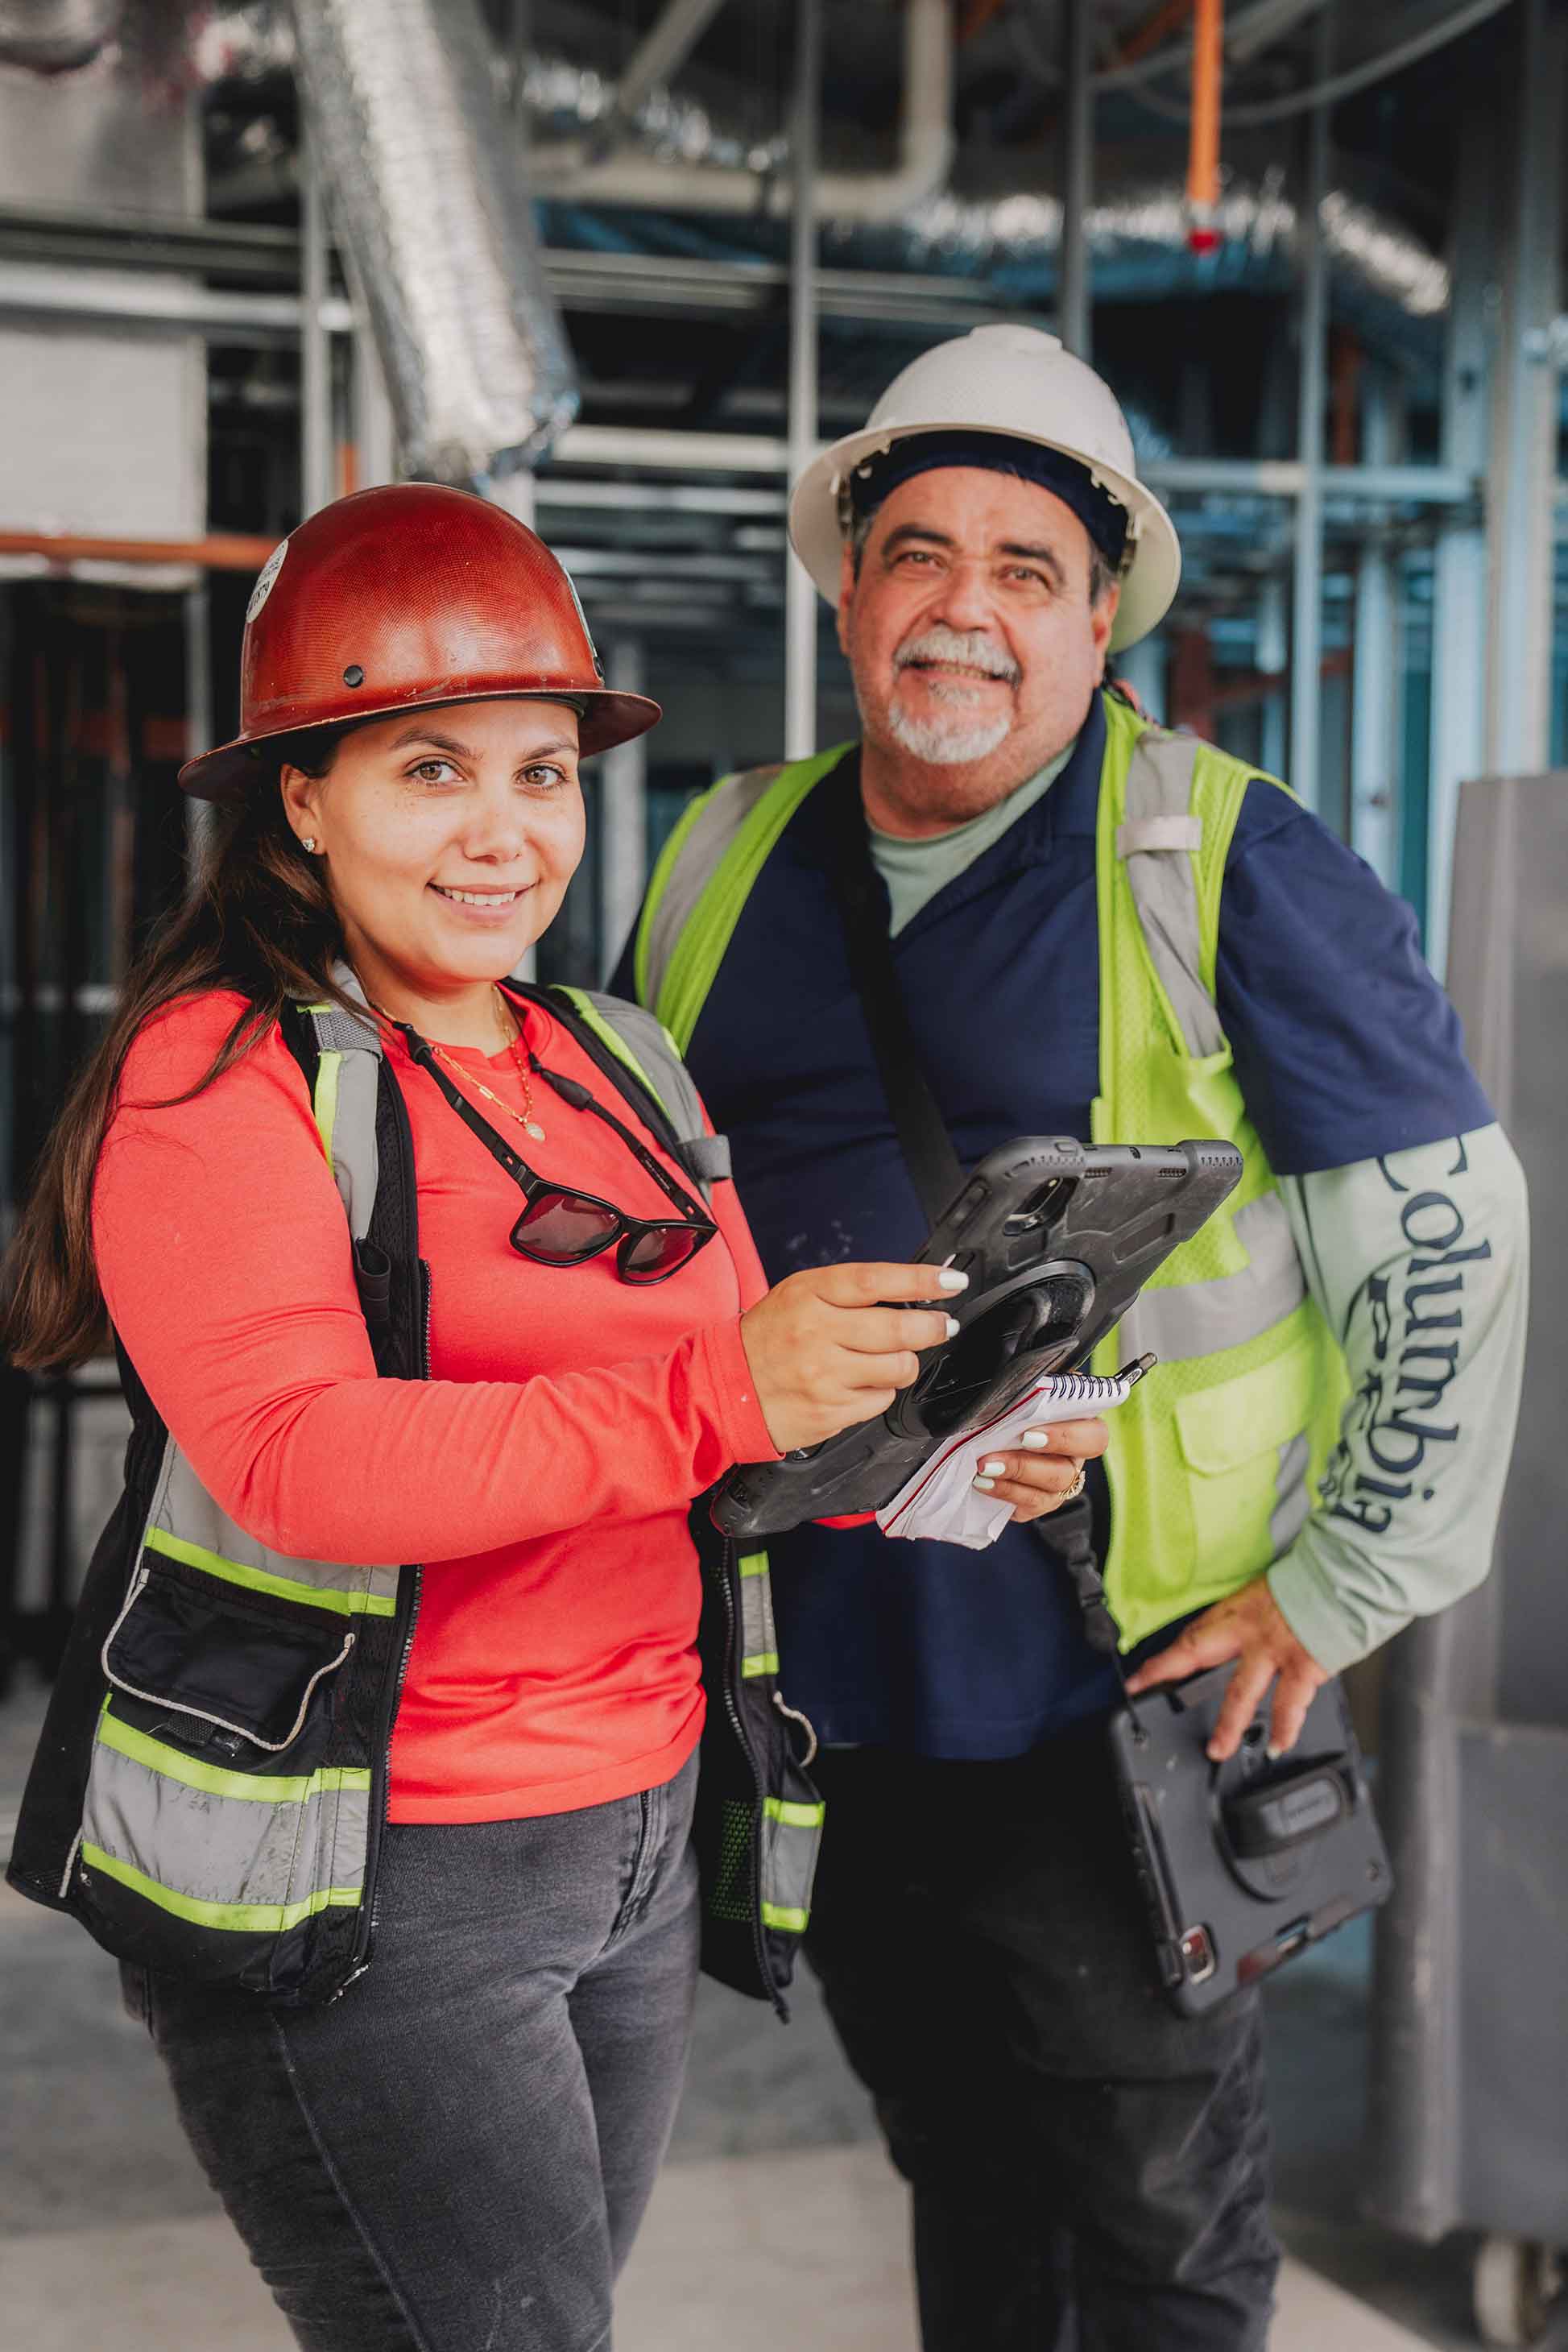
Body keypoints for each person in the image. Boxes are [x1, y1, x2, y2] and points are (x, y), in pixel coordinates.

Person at [2, 482, 1094, 2352]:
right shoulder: (224, 1071)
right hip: (379, 1859)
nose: (503, 833)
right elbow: (300, 1459)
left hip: (640, 1824)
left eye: (541, 774)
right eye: (430, 771)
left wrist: (927, 1454)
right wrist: (720, 1383)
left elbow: (729, 1441)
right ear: (302, 797)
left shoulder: (615, 1054)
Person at [616, 324, 1531, 2352]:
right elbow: (633, 1222)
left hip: (1108, 1685)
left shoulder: (1221, 858)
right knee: (955, 2157)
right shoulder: (717, 852)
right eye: (918, 555)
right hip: (820, 1677)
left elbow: (1449, 1236)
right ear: (847, 594)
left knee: (1155, 2226)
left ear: (1094, 614)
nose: (965, 607)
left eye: (1023, 567)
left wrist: (1346, 1581)